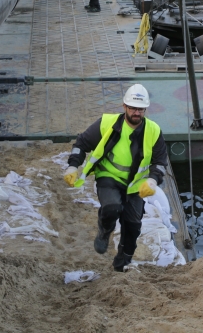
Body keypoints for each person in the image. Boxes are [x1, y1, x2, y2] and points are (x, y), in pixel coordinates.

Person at [63, 84, 168, 272]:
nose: (136, 112)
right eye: (133, 108)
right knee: (112, 207)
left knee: (133, 226)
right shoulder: (106, 123)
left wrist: (153, 180)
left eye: (140, 109)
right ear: (124, 107)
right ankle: (104, 230)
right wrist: (73, 165)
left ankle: (122, 262)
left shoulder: (153, 131)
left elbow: (160, 161)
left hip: (136, 185)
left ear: (145, 109)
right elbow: (81, 143)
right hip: (108, 176)